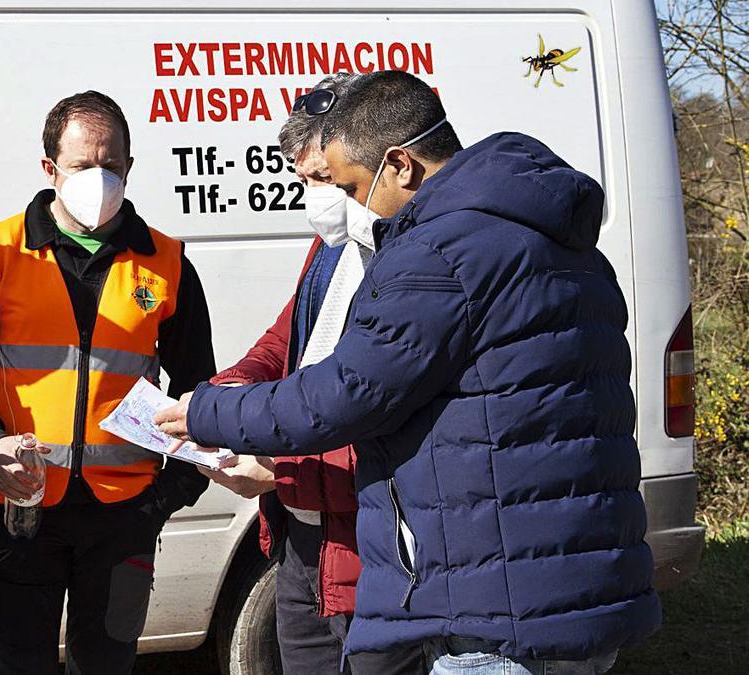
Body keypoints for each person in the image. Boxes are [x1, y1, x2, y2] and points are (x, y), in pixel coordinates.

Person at [156, 70, 661, 674]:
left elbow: (345, 394)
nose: (341, 202)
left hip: (493, 601)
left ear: (399, 164)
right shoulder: (548, 234)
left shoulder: (440, 251)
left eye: (345, 183)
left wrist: (206, 413)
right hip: (562, 575)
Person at [0, 90, 215, 675]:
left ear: (130, 167)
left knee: (107, 665)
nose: (100, 178)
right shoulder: (1, 252)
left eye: (112, 165)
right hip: (20, 511)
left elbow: (200, 394)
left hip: (124, 516)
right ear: (50, 169)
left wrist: (167, 498)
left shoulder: (166, 261)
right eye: (84, 165)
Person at [203, 72, 422, 674]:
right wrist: (233, 388)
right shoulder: (332, 243)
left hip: (370, 541)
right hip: (303, 536)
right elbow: (290, 338)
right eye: (302, 180)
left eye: (325, 180)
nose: (315, 197)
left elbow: (368, 399)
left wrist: (278, 464)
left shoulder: (410, 261)